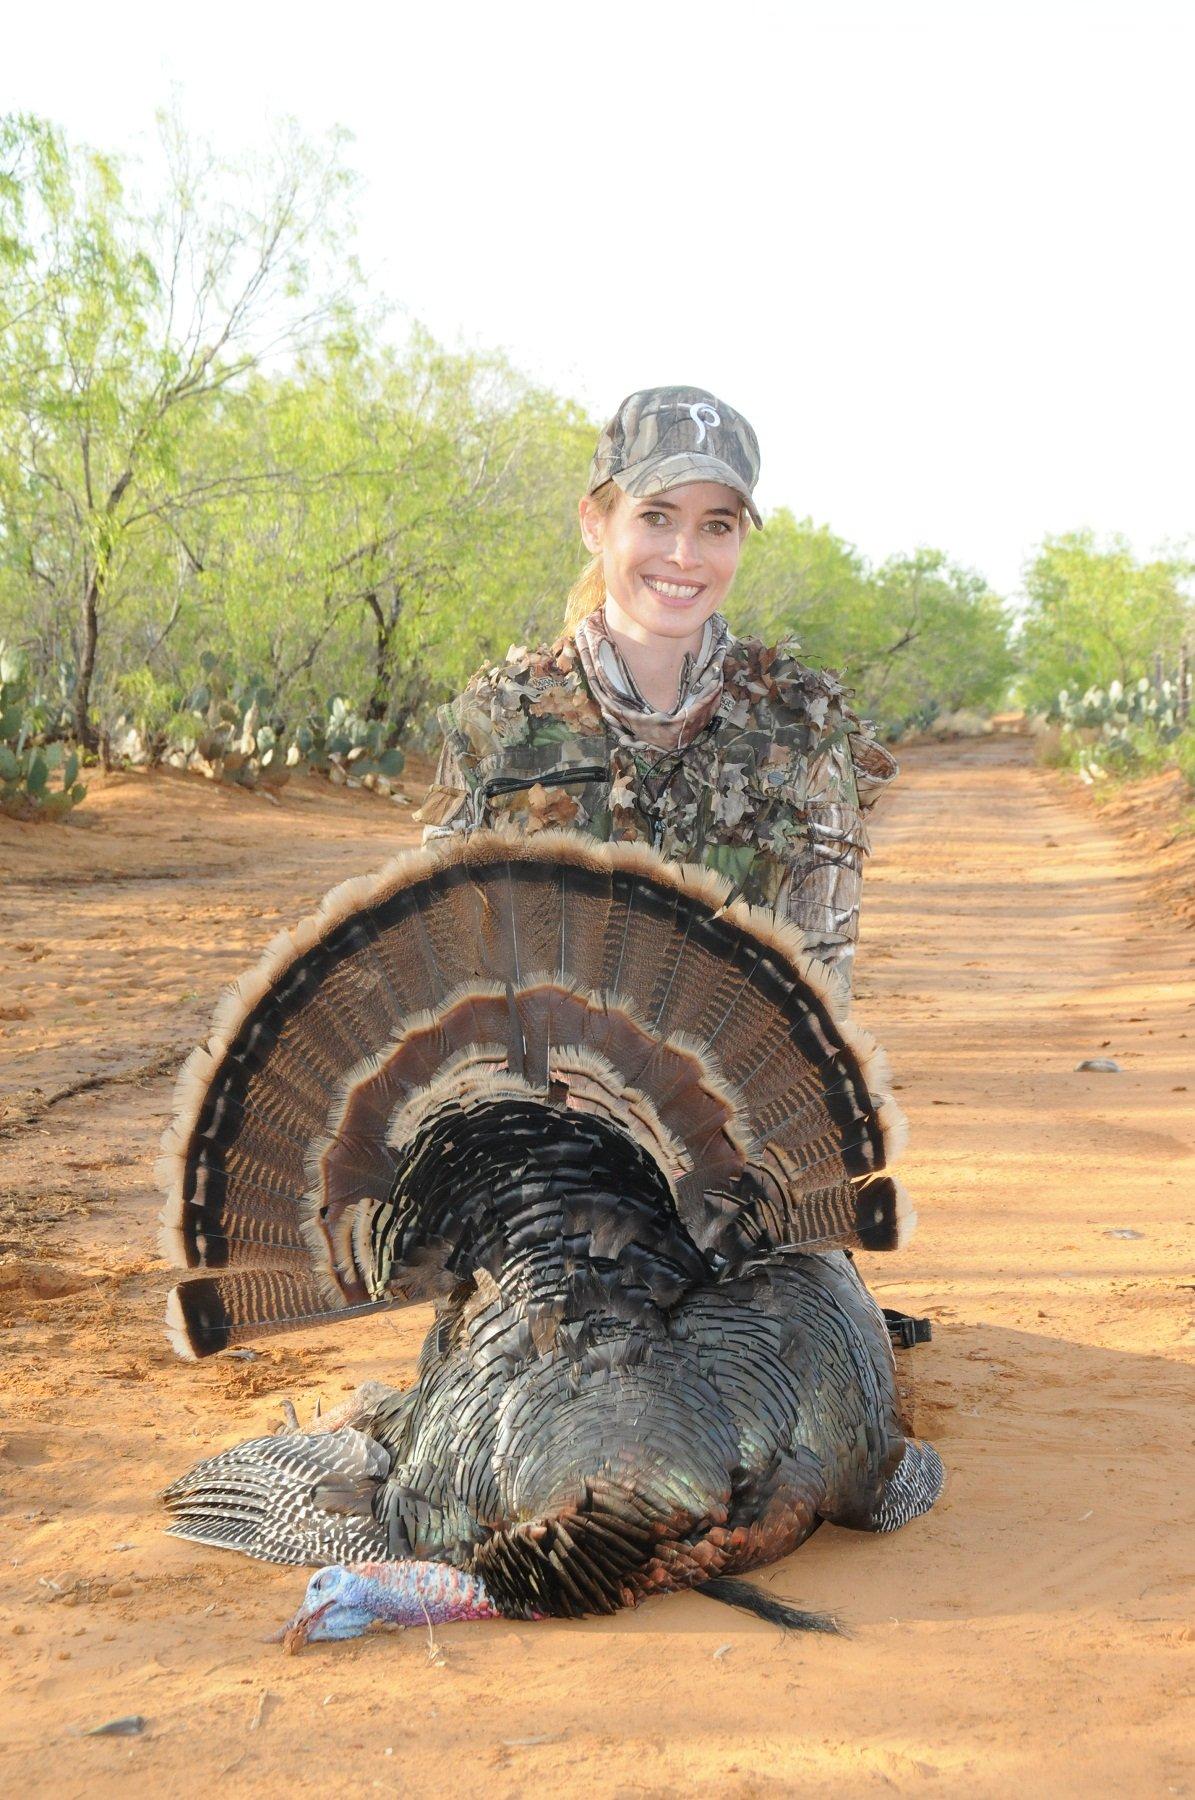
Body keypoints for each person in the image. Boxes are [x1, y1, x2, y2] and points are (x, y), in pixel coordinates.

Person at [417, 384, 897, 1010]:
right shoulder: (499, 721)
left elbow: (821, 981)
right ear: (595, 523)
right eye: (656, 516)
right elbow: (441, 965)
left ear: (739, 542)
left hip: (734, 1098)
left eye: (716, 526)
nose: (685, 555)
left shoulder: (800, 725)